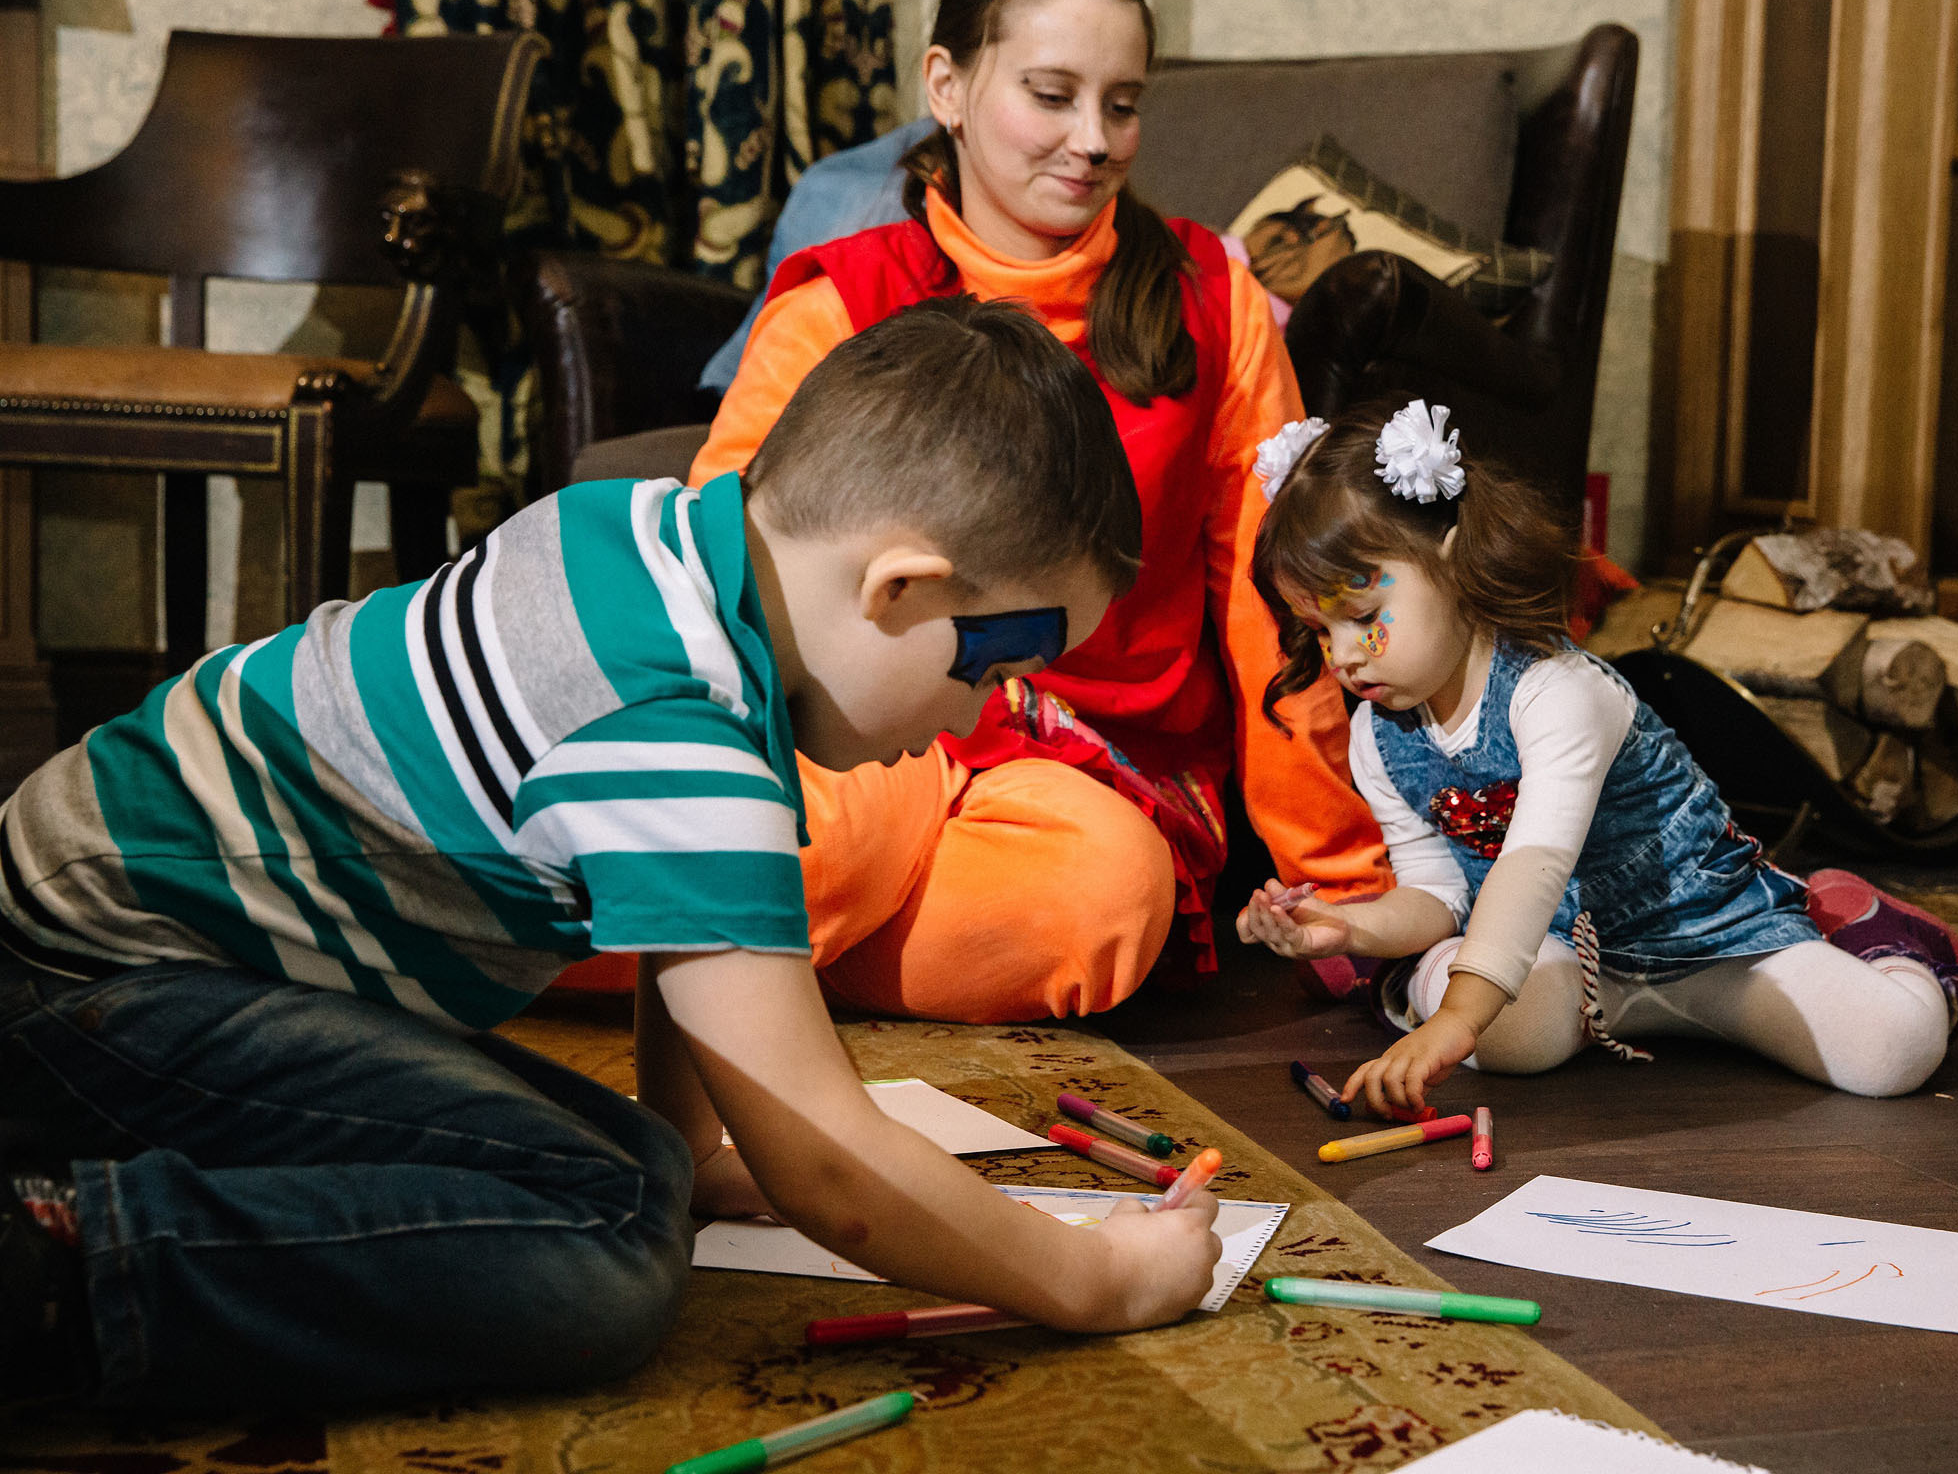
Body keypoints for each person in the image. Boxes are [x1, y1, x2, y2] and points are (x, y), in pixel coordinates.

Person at [0, 299, 1221, 1412]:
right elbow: (828, 1168)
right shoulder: (674, 731)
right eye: (996, 666)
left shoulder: (650, 540)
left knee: (640, 1174)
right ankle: (64, 1256)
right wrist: (1096, 1279)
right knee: (606, 1256)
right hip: (98, 980)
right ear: (901, 589)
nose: (976, 717)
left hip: (119, 930)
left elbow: (681, 942)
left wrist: (692, 1153)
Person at [690, 0, 1390, 1022]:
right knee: (826, 840)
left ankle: (702, 959)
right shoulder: (836, 299)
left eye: (1124, 104)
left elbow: (1277, 599)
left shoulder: (1215, 303)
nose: (1094, 141)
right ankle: (726, 951)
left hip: (1091, 775)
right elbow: (718, 574)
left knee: (1100, 900)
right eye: (1052, 95)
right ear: (948, 86)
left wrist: (1341, 879)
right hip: (859, 733)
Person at [1233, 401, 1958, 1116]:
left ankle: (1866, 926)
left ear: (1452, 563)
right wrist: (1351, 929)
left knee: (1894, 1052)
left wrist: (1454, 1020)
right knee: (1507, 1034)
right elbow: (1437, 894)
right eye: (1319, 630)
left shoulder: (1557, 690)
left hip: (1714, 942)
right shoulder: (1380, 737)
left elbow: (1533, 866)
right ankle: (1433, 983)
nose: (1342, 656)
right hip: (1565, 961)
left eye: (1362, 617)